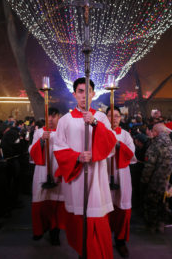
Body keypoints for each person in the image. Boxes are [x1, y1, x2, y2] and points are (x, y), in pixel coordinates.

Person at [53, 77, 117, 259]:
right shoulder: (65, 120)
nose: (84, 95)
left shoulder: (101, 117)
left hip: (96, 176)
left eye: (87, 91)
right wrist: (77, 157)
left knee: (96, 216)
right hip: (77, 176)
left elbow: (111, 143)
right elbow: (58, 148)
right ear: (74, 94)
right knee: (79, 218)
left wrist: (95, 124)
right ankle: (83, 252)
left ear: (93, 94)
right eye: (80, 91)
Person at [29, 107, 66, 245]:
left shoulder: (64, 133)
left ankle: (54, 233)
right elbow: (32, 152)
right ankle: (39, 230)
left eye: (54, 116)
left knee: (56, 205)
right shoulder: (39, 132)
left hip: (58, 171)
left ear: (59, 117)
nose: (50, 119)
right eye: (48, 117)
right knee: (41, 204)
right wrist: (41, 141)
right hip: (42, 171)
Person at [106, 106, 136, 258]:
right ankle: (103, 240)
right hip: (104, 175)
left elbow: (131, 154)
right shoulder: (100, 133)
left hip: (121, 174)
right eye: (111, 115)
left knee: (122, 207)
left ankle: (120, 241)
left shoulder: (125, 135)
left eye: (117, 116)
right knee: (104, 209)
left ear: (120, 118)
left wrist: (118, 144)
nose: (114, 119)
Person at [140, 123, 172, 233]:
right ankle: (161, 224)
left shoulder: (155, 145)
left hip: (154, 181)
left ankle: (151, 226)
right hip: (167, 181)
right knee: (163, 202)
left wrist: (144, 181)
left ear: (155, 132)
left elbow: (149, 166)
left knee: (151, 203)